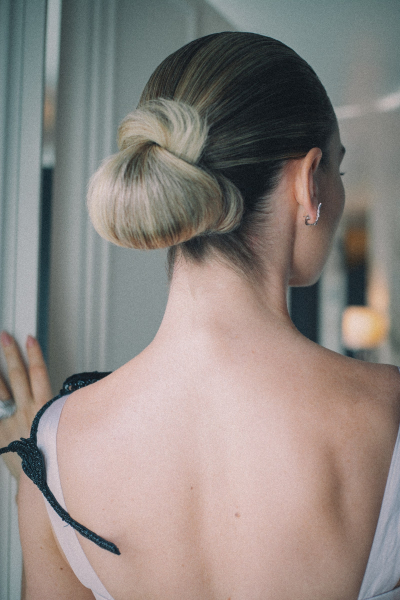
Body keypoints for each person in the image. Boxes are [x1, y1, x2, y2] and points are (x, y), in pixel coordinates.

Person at [1, 31, 400, 600]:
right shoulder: (388, 414)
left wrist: (39, 484)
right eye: (336, 169)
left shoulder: (53, 462)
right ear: (309, 183)